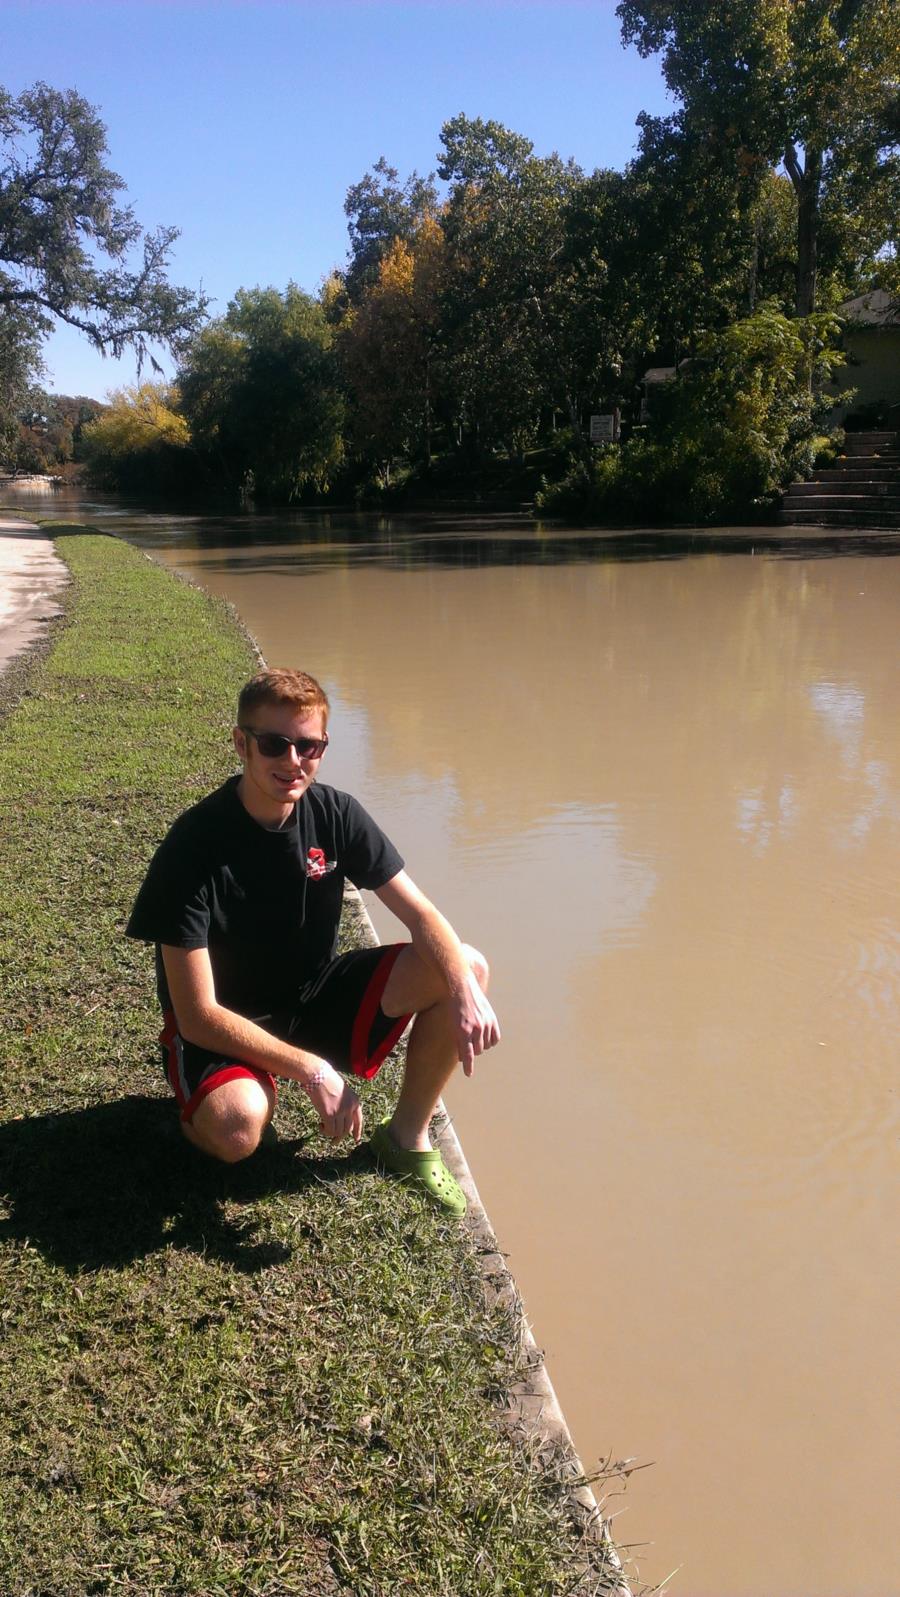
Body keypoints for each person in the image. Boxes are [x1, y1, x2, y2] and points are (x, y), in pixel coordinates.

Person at [126, 667, 500, 1217]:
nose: (293, 761)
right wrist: (313, 1069)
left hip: (314, 996)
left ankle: (405, 1140)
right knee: (236, 1129)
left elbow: (420, 912)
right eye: (275, 744)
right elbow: (197, 1013)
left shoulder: (336, 813)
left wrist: (463, 990)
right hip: (227, 1023)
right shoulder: (193, 847)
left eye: (309, 745)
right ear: (241, 744)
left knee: (464, 964)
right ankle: (199, 1110)